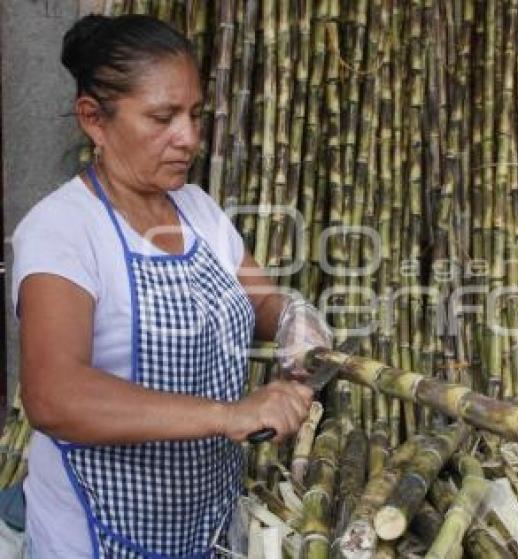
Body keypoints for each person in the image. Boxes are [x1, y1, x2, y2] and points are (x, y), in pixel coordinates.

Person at [11, 14, 332, 557]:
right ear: (94, 119)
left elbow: (263, 301)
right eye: (162, 117)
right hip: (99, 537)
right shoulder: (62, 229)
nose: (188, 138)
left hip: (206, 527)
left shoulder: (198, 210)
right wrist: (229, 415)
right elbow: (53, 395)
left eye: (194, 115)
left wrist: (294, 319)